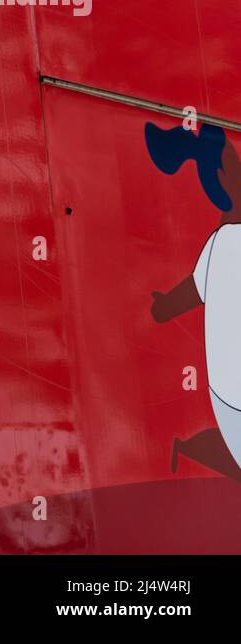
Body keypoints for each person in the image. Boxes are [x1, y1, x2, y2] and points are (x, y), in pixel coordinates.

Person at [147, 122, 241, 478]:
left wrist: (160, 304)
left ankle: (184, 448)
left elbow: (171, 305)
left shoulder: (217, 244)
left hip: (227, 401)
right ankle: (185, 449)